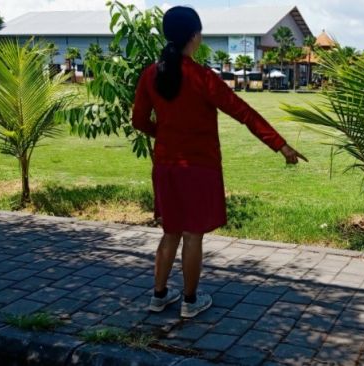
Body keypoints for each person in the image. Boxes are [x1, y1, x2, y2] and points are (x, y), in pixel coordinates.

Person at [132, 6, 307, 319]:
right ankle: (189, 301)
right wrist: (280, 145)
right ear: (195, 37)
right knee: (192, 235)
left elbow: (139, 120)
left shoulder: (150, 74)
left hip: (166, 166)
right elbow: (243, 113)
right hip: (199, 168)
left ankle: (158, 297)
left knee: (170, 232)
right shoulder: (202, 78)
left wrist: (165, 134)